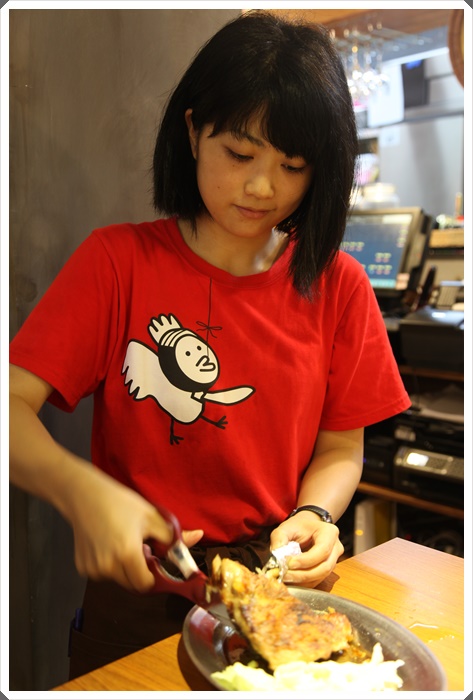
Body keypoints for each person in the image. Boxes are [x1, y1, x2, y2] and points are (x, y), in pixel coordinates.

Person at [9, 10, 410, 679]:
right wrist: (81, 493)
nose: (262, 187)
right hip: (137, 594)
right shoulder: (118, 262)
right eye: (240, 154)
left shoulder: (337, 284)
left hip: (273, 591)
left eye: (292, 165)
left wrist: (316, 513)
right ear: (194, 132)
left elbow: (342, 446)